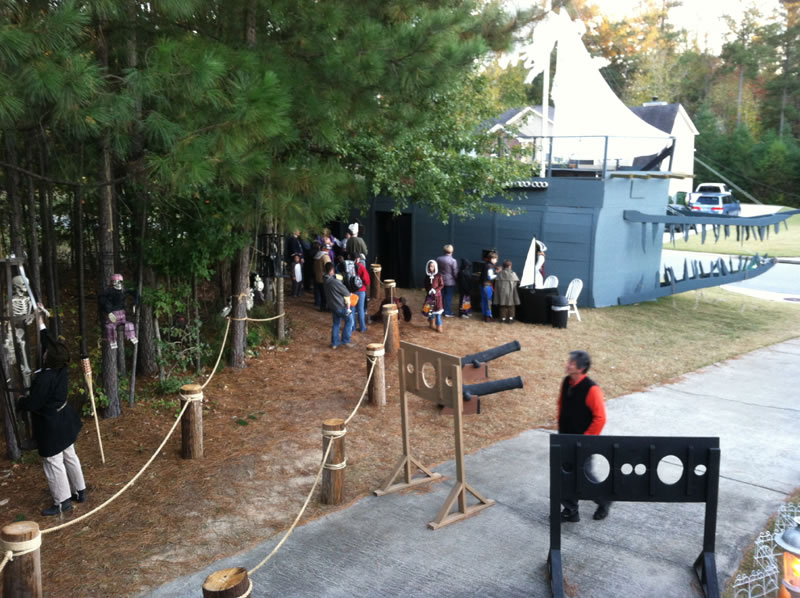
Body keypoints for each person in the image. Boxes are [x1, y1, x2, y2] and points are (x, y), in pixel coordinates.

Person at [18, 311, 87, 516]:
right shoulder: (61, 368)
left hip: (51, 424)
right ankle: (80, 491)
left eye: (47, 352)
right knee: (69, 455)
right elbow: (52, 347)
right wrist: (41, 324)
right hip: (64, 419)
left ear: (49, 359)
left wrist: (21, 401)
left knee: (53, 461)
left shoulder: (44, 379)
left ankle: (62, 502)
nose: (45, 352)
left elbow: (34, 403)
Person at [557, 350, 611, 523]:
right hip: (565, 438)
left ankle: (604, 499)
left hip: (583, 442)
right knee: (564, 475)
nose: (567, 365)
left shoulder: (592, 389)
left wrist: (586, 439)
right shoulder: (567, 382)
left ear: (581, 368)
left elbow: (600, 418)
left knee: (584, 476)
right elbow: (561, 404)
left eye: (571, 363)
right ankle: (571, 511)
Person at [323, 262, 354, 349]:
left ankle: (334, 343)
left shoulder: (325, 279)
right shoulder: (334, 282)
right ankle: (345, 341)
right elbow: (346, 293)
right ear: (332, 270)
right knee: (350, 321)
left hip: (332, 306)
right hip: (340, 306)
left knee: (336, 324)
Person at [436, 245, 459, 318]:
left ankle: (440, 309)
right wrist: (456, 279)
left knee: (441, 296)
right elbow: (455, 272)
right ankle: (447, 312)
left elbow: (437, 269)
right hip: (450, 282)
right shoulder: (453, 261)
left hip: (440, 280)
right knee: (448, 297)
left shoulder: (439, 259)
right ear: (452, 251)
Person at [423, 259, 444, 333]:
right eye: (430, 266)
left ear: (435, 267)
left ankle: (439, 325)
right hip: (430, 297)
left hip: (437, 297)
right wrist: (429, 290)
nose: (431, 268)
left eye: (432, 266)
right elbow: (425, 285)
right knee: (431, 310)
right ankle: (431, 322)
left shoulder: (438, 275)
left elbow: (441, 285)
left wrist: (436, 290)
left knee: (438, 312)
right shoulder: (427, 276)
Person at [353, 254, 371, 333]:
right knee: (360, 309)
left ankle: (353, 327)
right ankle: (362, 328)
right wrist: (366, 284)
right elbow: (366, 280)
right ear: (358, 258)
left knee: (352, 309)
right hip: (360, 290)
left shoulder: (348, 266)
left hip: (351, 290)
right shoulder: (361, 267)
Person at [479, 251, 499, 322]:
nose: (496, 260)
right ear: (492, 259)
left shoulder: (485, 264)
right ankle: (488, 317)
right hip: (487, 286)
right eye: (496, 259)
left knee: (484, 300)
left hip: (482, 285)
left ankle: (484, 315)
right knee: (488, 301)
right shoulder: (490, 266)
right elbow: (490, 277)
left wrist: (495, 272)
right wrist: (497, 275)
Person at [312, 242, 331, 310]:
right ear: (323, 249)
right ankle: (324, 307)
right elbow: (328, 267)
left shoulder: (317, 255)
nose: (328, 250)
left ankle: (319, 305)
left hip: (318, 276)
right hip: (324, 277)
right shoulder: (325, 256)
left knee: (319, 291)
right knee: (325, 293)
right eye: (327, 249)